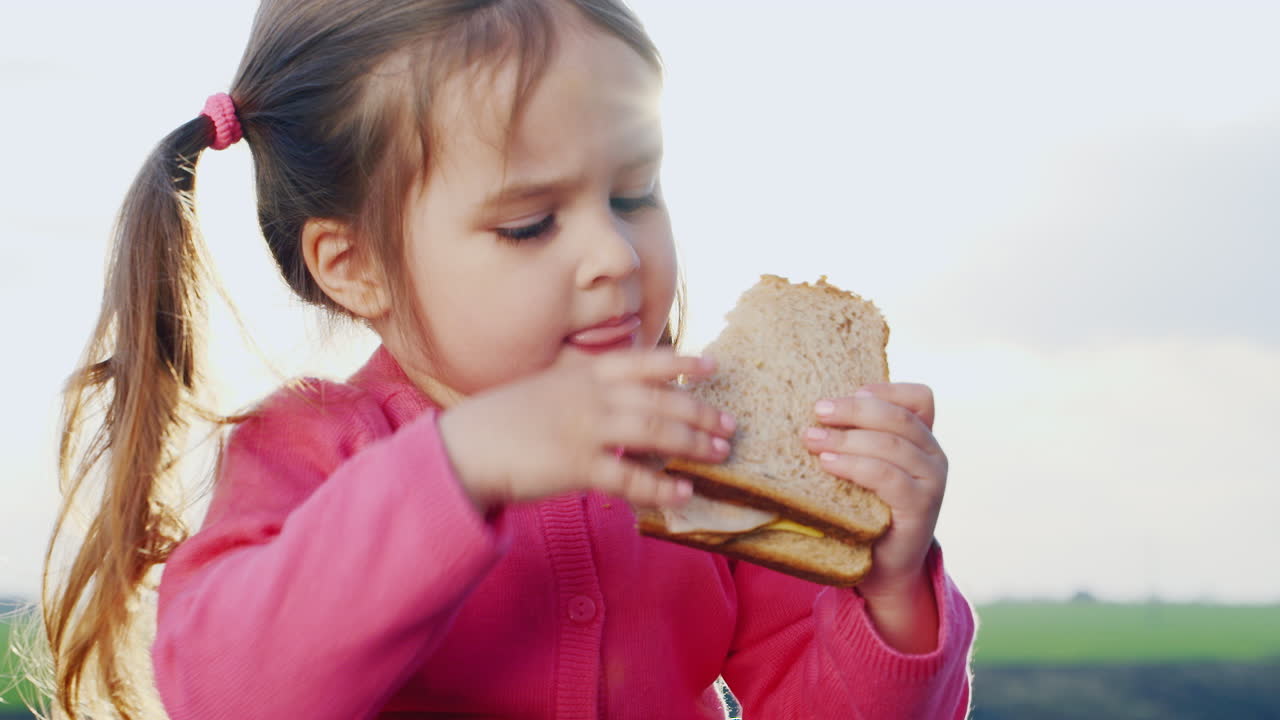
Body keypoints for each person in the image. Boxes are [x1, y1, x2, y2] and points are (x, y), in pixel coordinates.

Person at [44, 1, 975, 718]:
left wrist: (889, 591)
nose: (613, 253)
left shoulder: (698, 442)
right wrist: (464, 462)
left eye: (635, 192)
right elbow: (233, 689)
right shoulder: (315, 452)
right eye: (530, 224)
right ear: (355, 263)